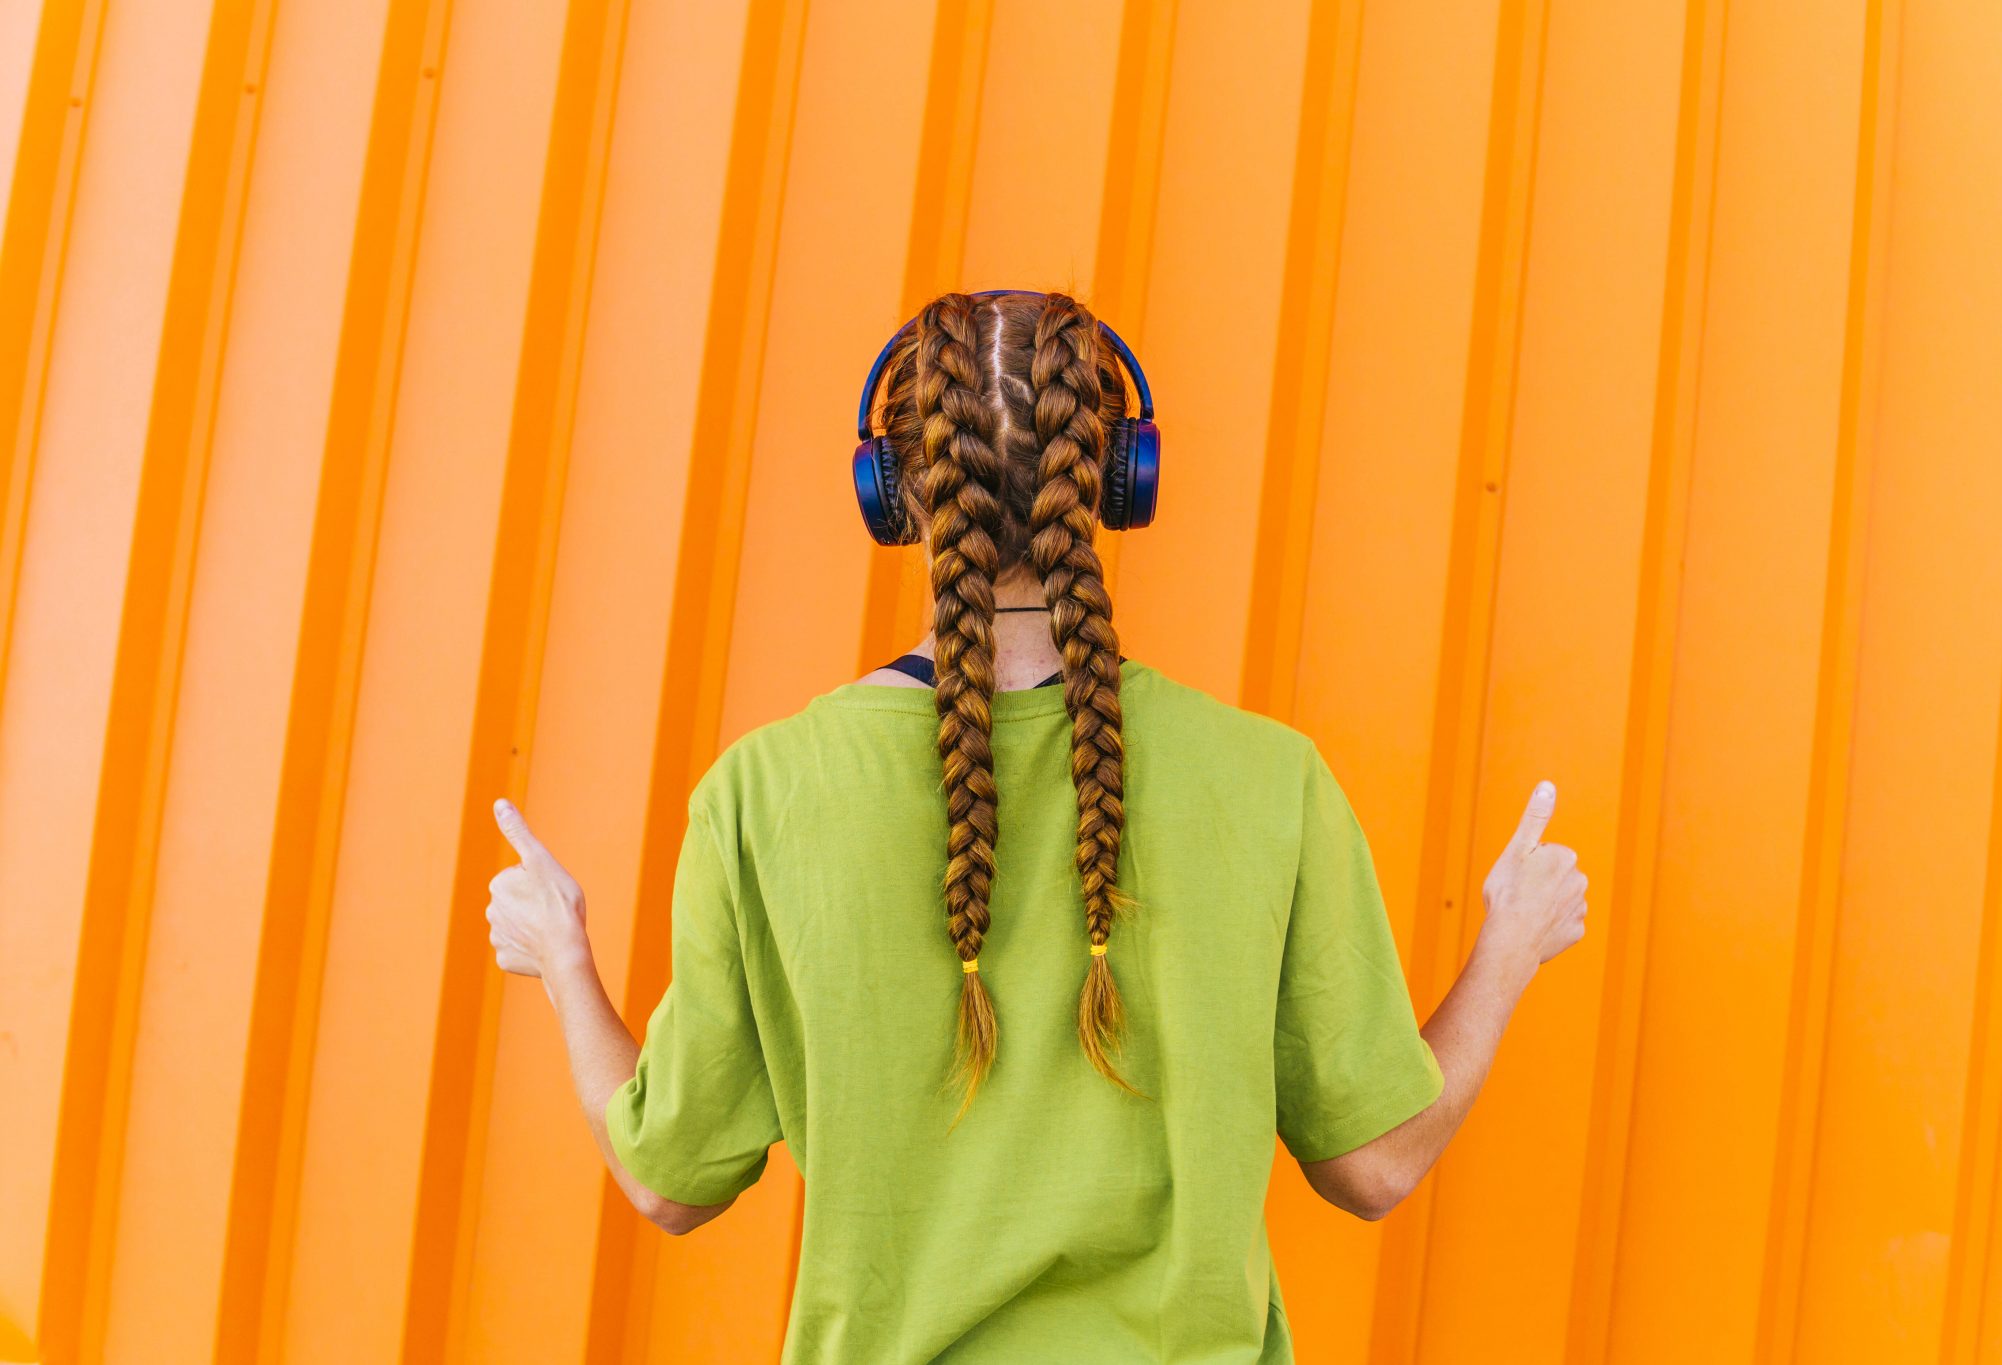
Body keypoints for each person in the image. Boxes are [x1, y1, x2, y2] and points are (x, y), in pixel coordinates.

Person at [483, 289, 1590, 1363]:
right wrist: (1507, 947)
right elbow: (1374, 1166)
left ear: (892, 491)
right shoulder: (1267, 780)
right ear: (1116, 482)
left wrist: (561, 956)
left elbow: (666, 1179)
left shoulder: (760, 795)